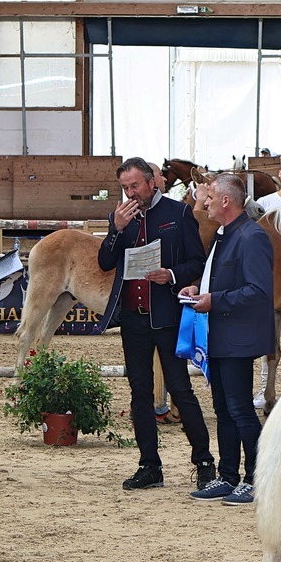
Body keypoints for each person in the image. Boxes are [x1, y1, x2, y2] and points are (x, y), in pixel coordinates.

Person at [98, 158, 216, 492]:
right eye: (125, 188)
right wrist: (115, 230)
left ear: (153, 182)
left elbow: (197, 261)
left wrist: (172, 275)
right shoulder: (120, 217)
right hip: (133, 318)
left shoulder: (178, 214)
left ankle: (204, 462)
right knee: (140, 393)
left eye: (135, 186)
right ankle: (150, 465)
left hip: (166, 316)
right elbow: (106, 262)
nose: (130, 193)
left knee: (181, 390)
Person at [183, 174, 275, 506]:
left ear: (226, 201)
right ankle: (228, 475)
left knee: (239, 410)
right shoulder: (223, 236)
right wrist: (198, 290)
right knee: (223, 409)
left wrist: (215, 300)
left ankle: (258, 478)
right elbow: (220, 280)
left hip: (239, 337)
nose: (204, 202)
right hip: (220, 335)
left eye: (209, 197)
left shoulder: (251, 237)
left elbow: (259, 290)